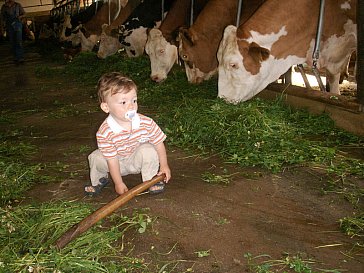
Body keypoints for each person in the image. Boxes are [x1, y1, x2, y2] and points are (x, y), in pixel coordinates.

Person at [85, 72, 171, 196]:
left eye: (134, 100)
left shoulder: (146, 122)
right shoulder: (105, 132)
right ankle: (99, 180)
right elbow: (111, 159)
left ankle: (151, 179)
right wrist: (118, 183)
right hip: (114, 164)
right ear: (106, 107)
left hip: (135, 161)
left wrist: (164, 166)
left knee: (149, 149)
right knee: (95, 157)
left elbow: (159, 143)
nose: (131, 106)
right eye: (123, 102)